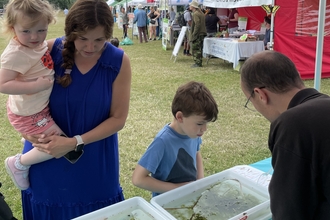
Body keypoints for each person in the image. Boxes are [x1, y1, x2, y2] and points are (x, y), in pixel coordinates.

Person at [21, 0, 132, 219]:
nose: (90, 47)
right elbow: (20, 104)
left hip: (95, 164)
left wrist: (74, 142)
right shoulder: (48, 52)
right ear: (70, 32)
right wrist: (29, 133)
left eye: (99, 40)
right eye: (82, 39)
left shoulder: (118, 61)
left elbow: (118, 118)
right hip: (46, 159)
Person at [240, 50, 330, 219]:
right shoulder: (324, 104)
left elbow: (289, 211)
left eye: (249, 101)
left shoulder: (293, 125)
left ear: (260, 95)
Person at [0, 0, 65, 191]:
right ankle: (19, 163)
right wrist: (35, 85)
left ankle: (30, 140)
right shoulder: (16, 53)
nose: (35, 37)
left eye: (41, 30)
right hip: (28, 113)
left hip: (35, 108)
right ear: (13, 29)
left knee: (49, 139)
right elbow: (2, 83)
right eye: (26, 31)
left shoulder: (34, 44)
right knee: (57, 142)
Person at [132, 81, 218, 197]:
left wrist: (200, 182)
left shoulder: (193, 133)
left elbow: (197, 153)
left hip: (189, 198)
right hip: (166, 204)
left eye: (206, 123)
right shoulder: (162, 141)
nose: (204, 129)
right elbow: (138, 179)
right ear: (180, 117)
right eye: (200, 124)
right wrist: (177, 189)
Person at [189, 1, 207, 68]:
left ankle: (198, 63)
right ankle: (199, 62)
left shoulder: (195, 14)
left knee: (196, 49)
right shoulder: (201, 13)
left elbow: (197, 24)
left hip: (198, 34)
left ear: (193, 7)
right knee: (200, 48)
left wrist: (194, 34)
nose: (190, 6)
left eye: (191, 5)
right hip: (202, 33)